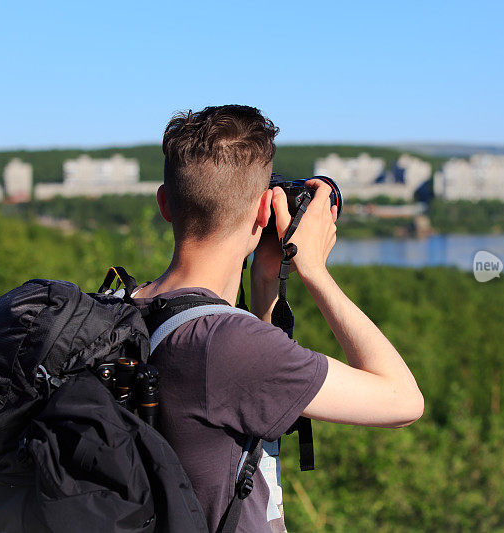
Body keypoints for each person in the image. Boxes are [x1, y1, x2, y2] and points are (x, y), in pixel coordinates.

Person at [132, 105, 424, 532]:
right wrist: (314, 271)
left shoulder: (122, 308)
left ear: (165, 204)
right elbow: (404, 401)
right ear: (265, 212)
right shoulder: (226, 346)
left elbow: (245, 386)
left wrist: (266, 279)